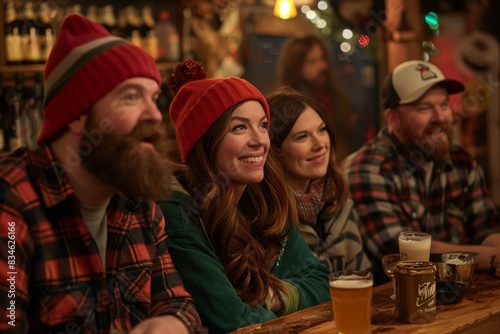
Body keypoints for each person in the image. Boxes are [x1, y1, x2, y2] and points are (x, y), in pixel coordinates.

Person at [0, 14, 202, 333]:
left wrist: (171, 323)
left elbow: (178, 302)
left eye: (152, 97)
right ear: (77, 114)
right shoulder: (12, 204)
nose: (153, 113)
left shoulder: (140, 205)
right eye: (131, 96)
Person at [158, 60, 330, 333]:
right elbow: (234, 320)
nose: (259, 140)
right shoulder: (179, 214)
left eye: (262, 125)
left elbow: (322, 281)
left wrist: (273, 297)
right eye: (239, 128)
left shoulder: (265, 198)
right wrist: (292, 296)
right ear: (205, 143)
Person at [342, 60, 500, 284]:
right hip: (390, 305)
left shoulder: (461, 161)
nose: (441, 117)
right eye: (424, 108)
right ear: (393, 118)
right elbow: (406, 254)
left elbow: (485, 227)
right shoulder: (368, 169)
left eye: (444, 105)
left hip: (455, 294)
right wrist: (492, 259)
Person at [266, 87, 370, 272]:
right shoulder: (267, 217)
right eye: (302, 137)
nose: (320, 144)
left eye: (322, 130)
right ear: (275, 149)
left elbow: (362, 278)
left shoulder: (339, 205)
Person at [276, 34, 353, 161]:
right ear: (296, 67)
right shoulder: (286, 106)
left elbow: (345, 141)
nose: (322, 67)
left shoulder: (339, 100)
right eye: (312, 62)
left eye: (323, 59)